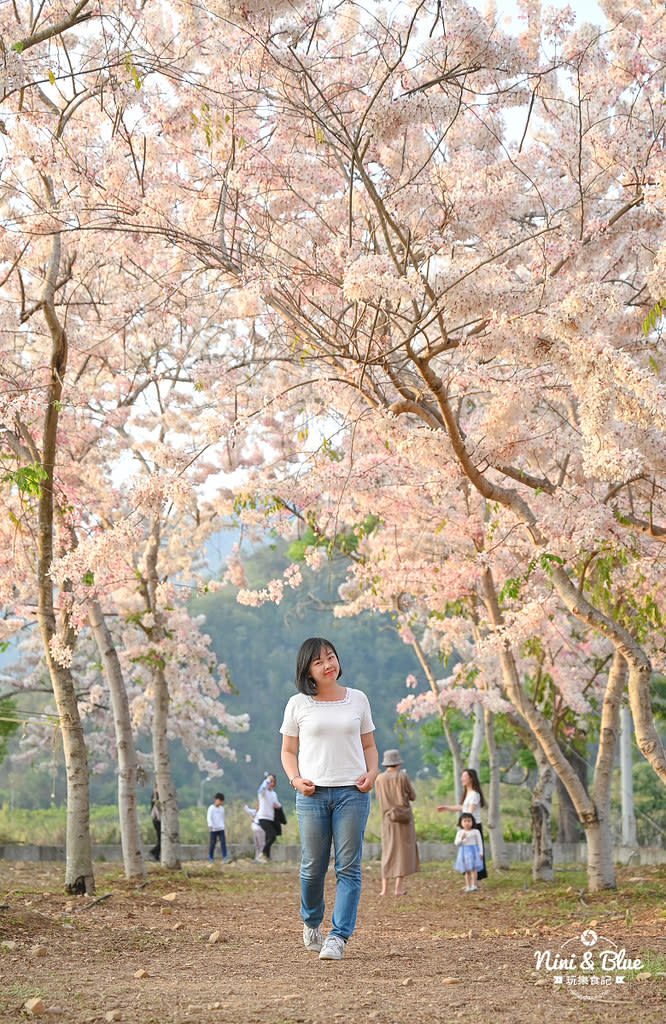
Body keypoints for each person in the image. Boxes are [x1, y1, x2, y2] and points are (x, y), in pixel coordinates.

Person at [280, 636, 378, 962]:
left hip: (353, 792)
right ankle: (311, 921)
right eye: (320, 661)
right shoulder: (297, 704)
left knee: (348, 868)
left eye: (331, 657)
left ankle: (338, 936)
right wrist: (295, 779)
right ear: (308, 669)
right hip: (312, 794)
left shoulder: (358, 699)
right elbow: (288, 751)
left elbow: (368, 746)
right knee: (313, 867)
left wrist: (373, 772)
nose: (328, 665)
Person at [374, 749, 419, 896]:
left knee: (387, 852)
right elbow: (412, 796)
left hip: (387, 819)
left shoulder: (379, 779)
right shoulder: (402, 776)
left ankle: (384, 889)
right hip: (403, 819)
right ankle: (398, 888)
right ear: (398, 762)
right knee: (402, 852)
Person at [437, 767, 487, 882]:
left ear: (471, 779)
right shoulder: (467, 793)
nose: (462, 779)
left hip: (473, 826)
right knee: (466, 853)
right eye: (462, 776)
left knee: (474, 853)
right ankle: (470, 881)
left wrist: (464, 824)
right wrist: (446, 808)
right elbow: (462, 807)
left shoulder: (474, 794)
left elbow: (469, 812)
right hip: (467, 825)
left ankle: (476, 881)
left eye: (464, 777)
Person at [454, 811, 484, 891]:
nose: (467, 823)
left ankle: (474, 884)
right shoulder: (460, 832)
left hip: (473, 851)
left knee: (473, 869)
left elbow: (479, 843)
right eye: (465, 821)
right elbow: (456, 843)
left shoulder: (475, 832)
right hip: (464, 852)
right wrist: (461, 838)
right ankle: (468, 885)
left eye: (469, 821)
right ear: (461, 822)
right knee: (466, 870)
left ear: (472, 822)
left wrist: (481, 852)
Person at [257, 773, 282, 860]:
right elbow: (261, 789)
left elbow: (278, 805)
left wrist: (278, 806)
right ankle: (262, 853)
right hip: (263, 817)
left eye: (273, 782)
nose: (271, 783)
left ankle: (267, 857)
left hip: (271, 818)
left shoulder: (274, 794)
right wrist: (267, 779)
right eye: (270, 781)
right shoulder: (263, 792)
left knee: (268, 837)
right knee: (272, 836)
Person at [207, 792, 228, 863]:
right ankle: (210, 857)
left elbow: (222, 818)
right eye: (219, 800)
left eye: (221, 801)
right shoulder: (211, 808)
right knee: (213, 843)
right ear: (215, 799)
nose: (220, 803)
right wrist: (210, 824)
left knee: (223, 842)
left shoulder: (222, 809)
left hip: (221, 828)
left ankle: (225, 857)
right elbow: (209, 817)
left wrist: (223, 825)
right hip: (213, 829)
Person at [149, 788, 161, 862]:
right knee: (161, 839)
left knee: (161, 839)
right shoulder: (156, 796)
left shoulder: (155, 795)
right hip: (158, 820)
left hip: (157, 820)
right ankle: (154, 852)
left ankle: (156, 855)